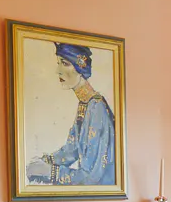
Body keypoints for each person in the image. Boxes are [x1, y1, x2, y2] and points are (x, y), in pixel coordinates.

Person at [26, 42, 116, 185]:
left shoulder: (96, 108)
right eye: (58, 63)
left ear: (80, 67)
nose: (58, 70)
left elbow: (90, 175)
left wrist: (49, 172)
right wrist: (44, 161)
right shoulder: (86, 104)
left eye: (65, 63)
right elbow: (71, 150)